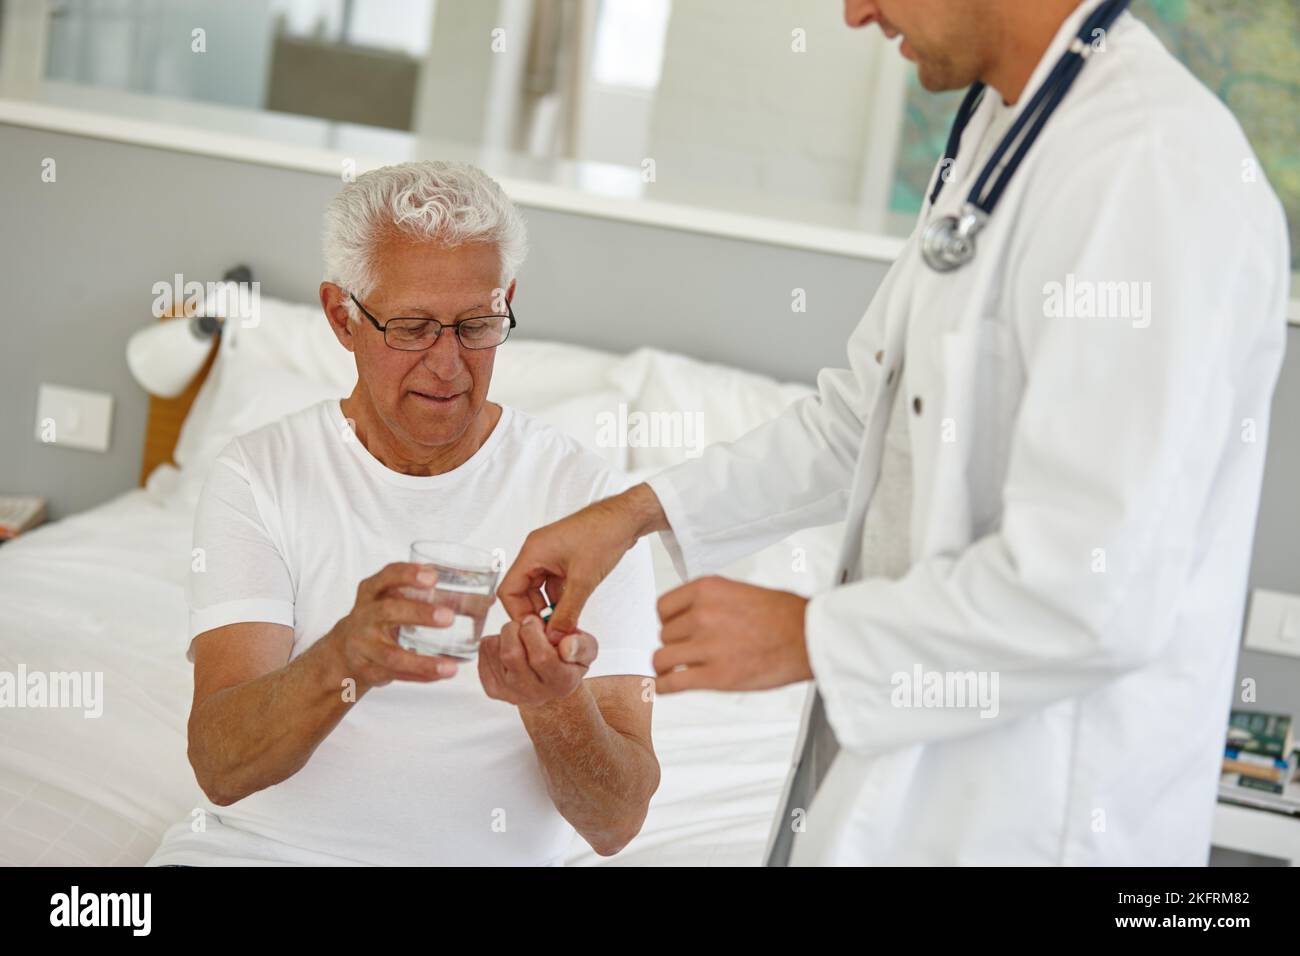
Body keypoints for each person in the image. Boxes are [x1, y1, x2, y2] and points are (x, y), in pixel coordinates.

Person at [500, 0, 1291, 865]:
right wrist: (632, 512)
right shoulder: (1003, 129)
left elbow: (1100, 591)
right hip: (905, 776)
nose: (854, 12)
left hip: (1038, 814)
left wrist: (807, 635)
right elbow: (858, 419)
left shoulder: (1152, 169)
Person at [148, 161, 660, 866]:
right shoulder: (260, 474)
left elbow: (617, 822)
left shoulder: (589, 504)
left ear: (505, 302)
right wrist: (345, 656)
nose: (448, 365)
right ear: (342, 317)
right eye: (414, 328)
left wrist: (554, 703)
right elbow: (220, 765)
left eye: (476, 325)